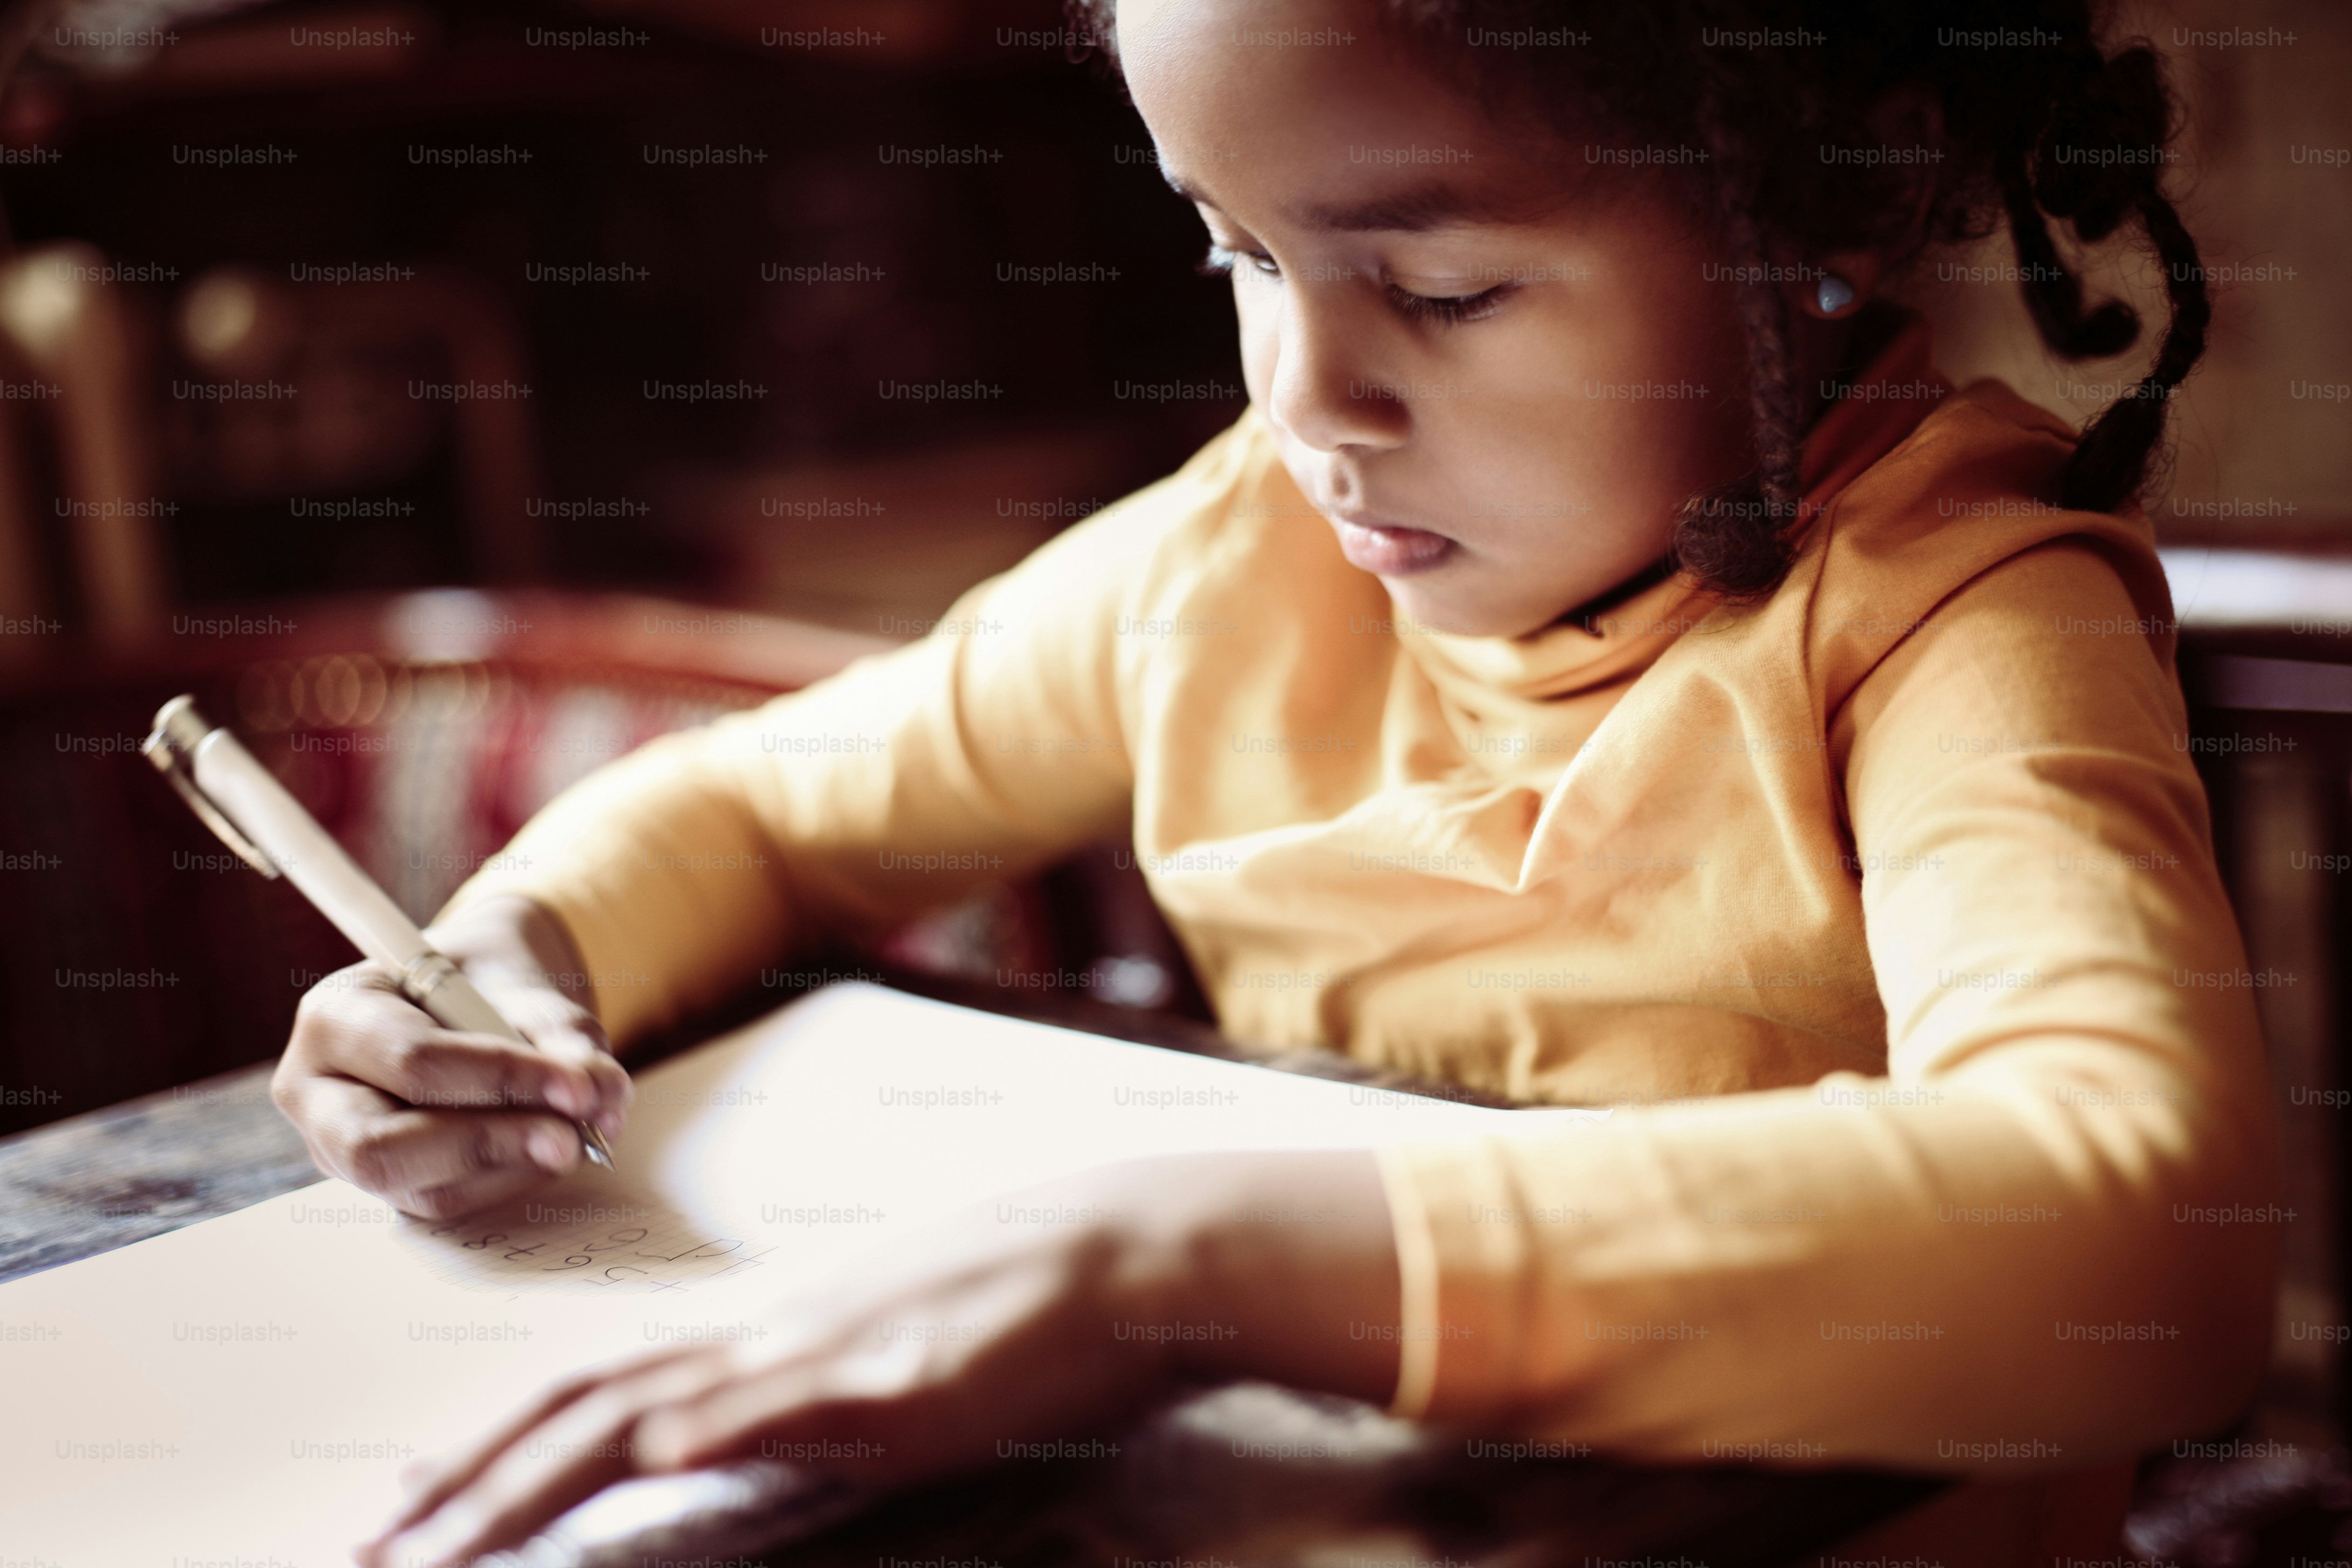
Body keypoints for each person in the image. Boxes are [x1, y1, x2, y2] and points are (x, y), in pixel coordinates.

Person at [310, 2, 2278, 1562]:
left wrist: (1175, 1266)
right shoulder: (1243, 561)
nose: (1307, 403)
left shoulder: (1950, 619)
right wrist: (498, 971)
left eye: (1441, 291)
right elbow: (761, 810)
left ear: (1823, 203)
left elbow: (2139, 1236)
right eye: (1237, 250)